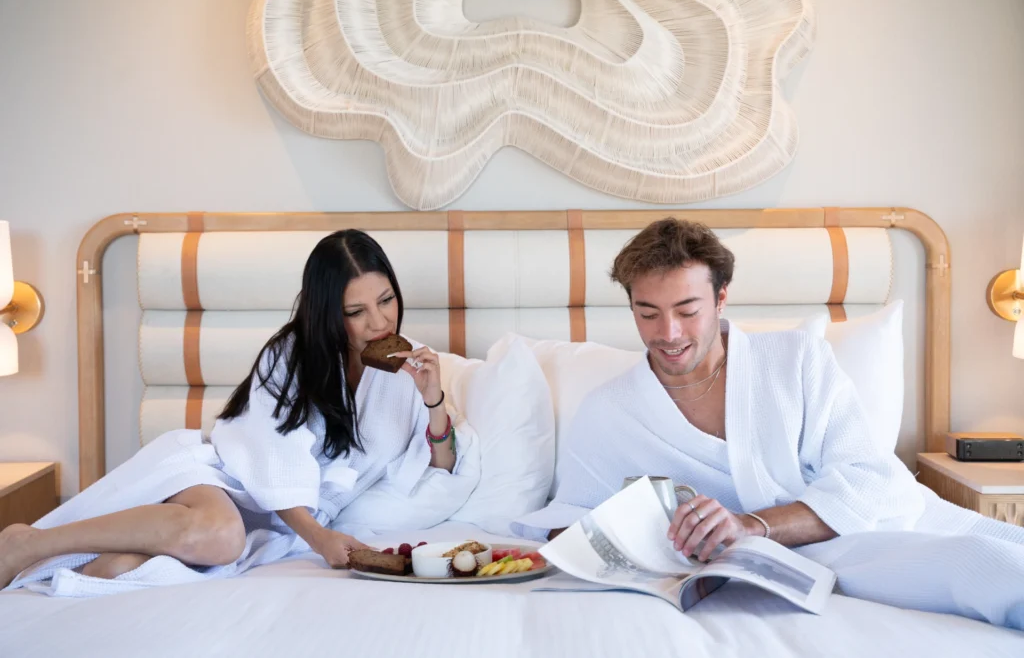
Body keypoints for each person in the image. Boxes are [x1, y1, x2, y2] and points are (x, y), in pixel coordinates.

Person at [513, 218, 1024, 629]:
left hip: (860, 537)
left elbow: (871, 478)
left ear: (721, 298)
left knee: (988, 565)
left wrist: (749, 526)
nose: (668, 333)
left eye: (687, 310)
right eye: (647, 313)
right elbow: (570, 523)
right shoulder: (610, 410)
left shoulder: (797, 359)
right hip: (744, 572)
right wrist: (658, 530)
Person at [0, 230, 477, 596]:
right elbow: (268, 457)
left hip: (269, 524)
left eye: (386, 300)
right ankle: (28, 542)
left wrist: (432, 398)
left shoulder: (407, 364)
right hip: (221, 479)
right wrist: (319, 538)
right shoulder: (292, 353)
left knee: (120, 570)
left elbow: (436, 468)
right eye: (356, 311)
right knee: (221, 535)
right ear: (329, 312)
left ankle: (62, 571)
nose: (379, 322)